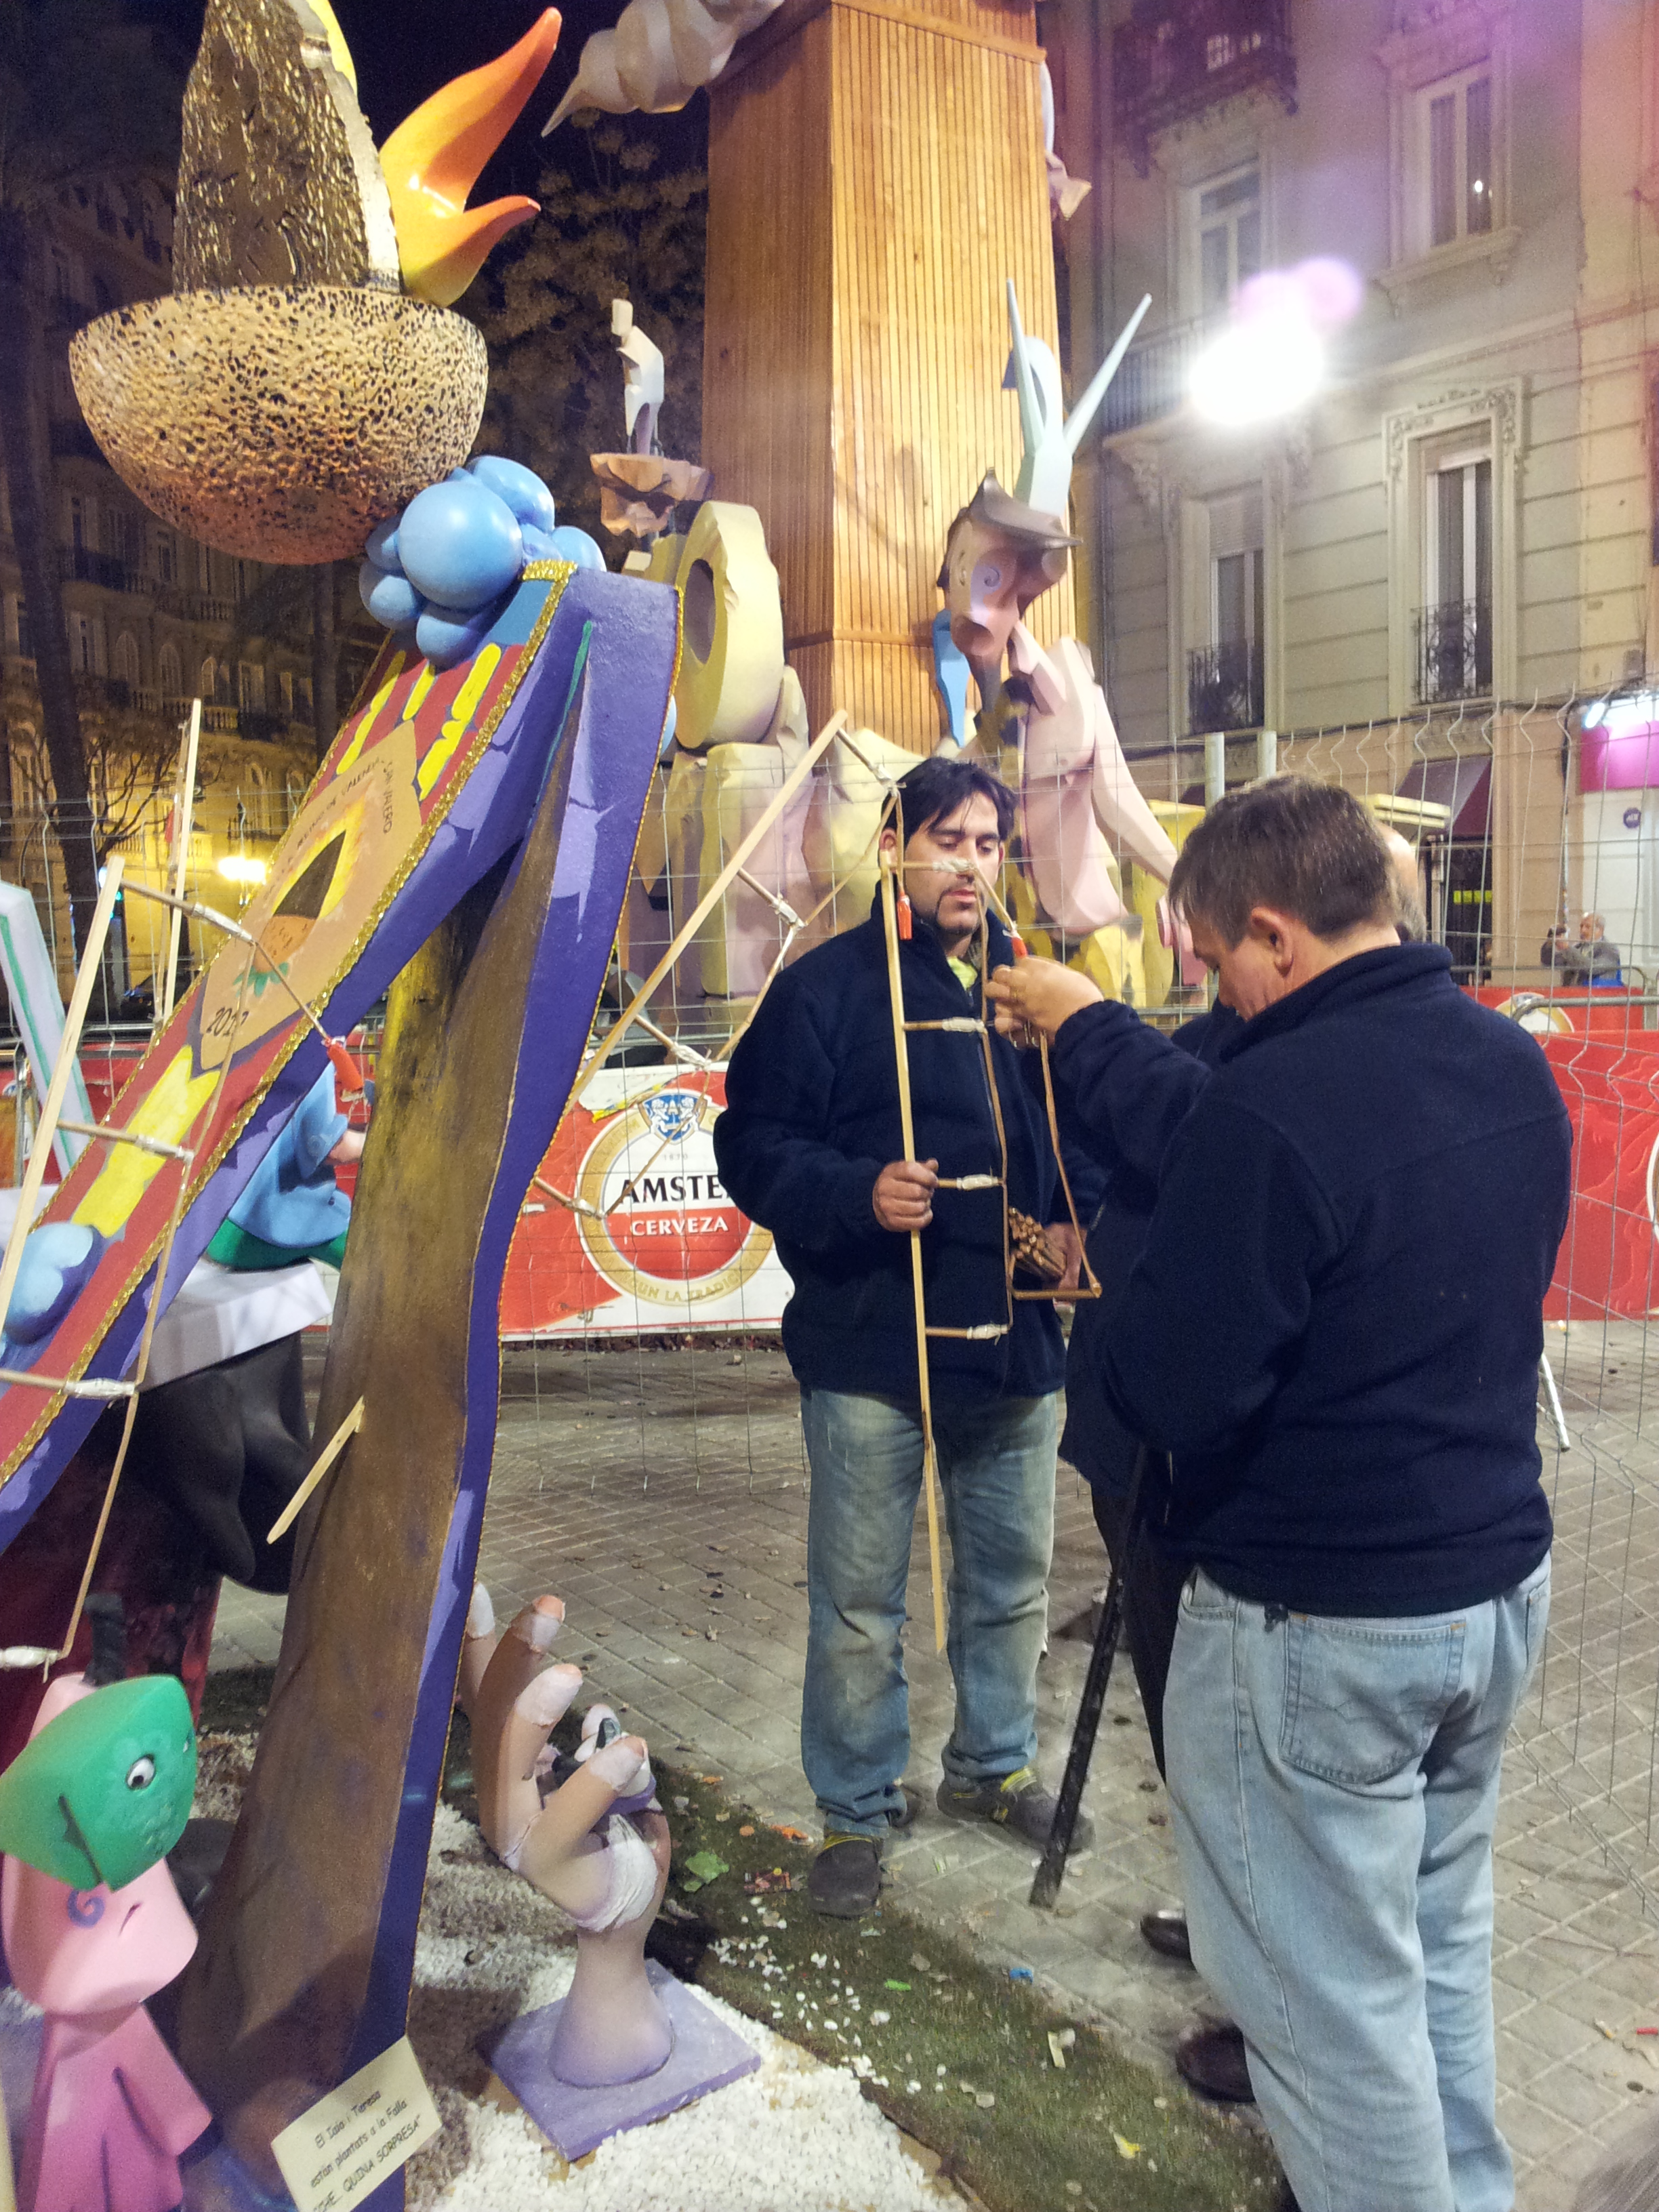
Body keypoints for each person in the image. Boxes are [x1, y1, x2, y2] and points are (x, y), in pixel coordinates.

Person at [1088, 778, 1569, 2212]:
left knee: (1330, 2018)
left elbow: (1175, 1389)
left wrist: (1117, 1296)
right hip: (1488, 1594)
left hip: (1323, 1623)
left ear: (1276, 936)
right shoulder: (1506, 1061)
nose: (1212, 989)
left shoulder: (1269, 1103)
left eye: (1215, 956)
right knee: (1432, 1957)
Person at [988, 803, 1427, 2104]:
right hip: (1147, 1463)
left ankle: (1278, 2009)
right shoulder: (1241, 1035)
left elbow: (1208, 1131)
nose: (1199, 965)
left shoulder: (1322, 1072)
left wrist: (1086, 1021)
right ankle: (1238, 1925)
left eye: (1216, 941)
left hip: (1240, 1489)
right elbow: (1136, 1127)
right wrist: (1057, 1076)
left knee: (1267, 1762)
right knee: (1196, 1726)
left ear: (1279, 933)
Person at [712, 755, 1096, 1919]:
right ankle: (856, 1803)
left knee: (1011, 1582)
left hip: (1016, 1346)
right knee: (857, 1600)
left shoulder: (1037, 993)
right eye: (947, 840)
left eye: (987, 842)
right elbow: (751, 1146)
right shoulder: (824, 991)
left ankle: (992, 1764)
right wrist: (856, 1191)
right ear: (895, 847)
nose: (969, 864)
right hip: (872, 1344)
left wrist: (1076, 1227)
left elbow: (1085, 1139)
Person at [1563, 911, 1622, 986]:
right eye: (1581, 926)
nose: (1583, 930)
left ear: (1600, 930)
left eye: (1587, 927)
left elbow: (1593, 968)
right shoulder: (1578, 947)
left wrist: (1568, 949)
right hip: (1574, 990)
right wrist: (1553, 944)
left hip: (1599, 990)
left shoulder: (1609, 949)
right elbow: (1556, 962)